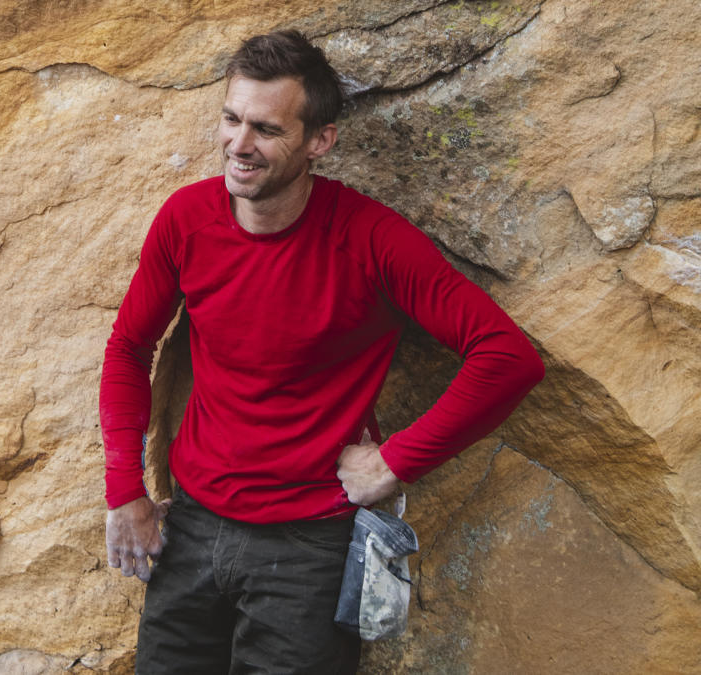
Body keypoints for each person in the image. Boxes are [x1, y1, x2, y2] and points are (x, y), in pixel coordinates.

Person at [98, 29, 544, 673]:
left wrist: (396, 460)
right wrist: (125, 493)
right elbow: (128, 349)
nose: (239, 145)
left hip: (310, 545)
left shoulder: (372, 241)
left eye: (266, 129)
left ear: (319, 141)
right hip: (191, 526)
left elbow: (507, 357)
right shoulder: (186, 219)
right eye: (231, 119)